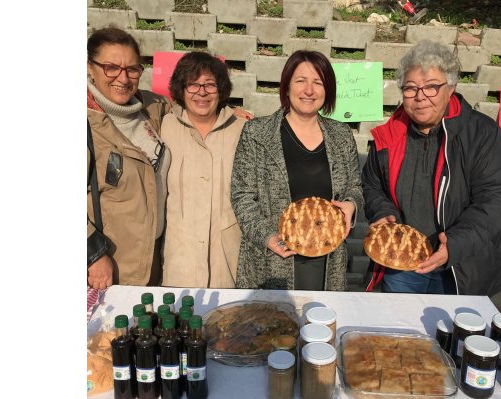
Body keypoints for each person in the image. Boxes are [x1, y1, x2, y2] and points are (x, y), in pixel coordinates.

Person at [362, 40, 501, 295]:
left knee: (454, 333)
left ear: (451, 88)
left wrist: (454, 245)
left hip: (462, 267)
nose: (420, 96)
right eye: (411, 88)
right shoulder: (389, 135)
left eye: (432, 87)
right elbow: (372, 184)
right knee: (402, 332)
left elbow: (498, 196)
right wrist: (382, 212)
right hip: (402, 265)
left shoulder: (481, 134)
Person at [231, 50, 364, 291]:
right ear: (287, 86)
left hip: (327, 259)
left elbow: (355, 187)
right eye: (300, 81)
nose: (309, 90)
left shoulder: (342, 135)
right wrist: (268, 237)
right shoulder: (257, 134)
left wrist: (352, 205)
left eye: (318, 82)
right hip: (274, 258)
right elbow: (242, 195)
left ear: (328, 89)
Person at [87, 27, 171, 291]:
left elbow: (193, 103)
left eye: (132, 69)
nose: (123, 78)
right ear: (90, 67)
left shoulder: (151, 107)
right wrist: (93, 255)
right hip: (110, 268)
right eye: (111, 67)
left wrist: (231, 112)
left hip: (153, 264)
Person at [160, 52, 247, 288]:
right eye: (193, 84)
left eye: (210, 85)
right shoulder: (163, 125)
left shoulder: (243, 130)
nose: (201, 92)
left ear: (221, 90)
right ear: (181, 88)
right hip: (180, 262)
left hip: (227, 261)